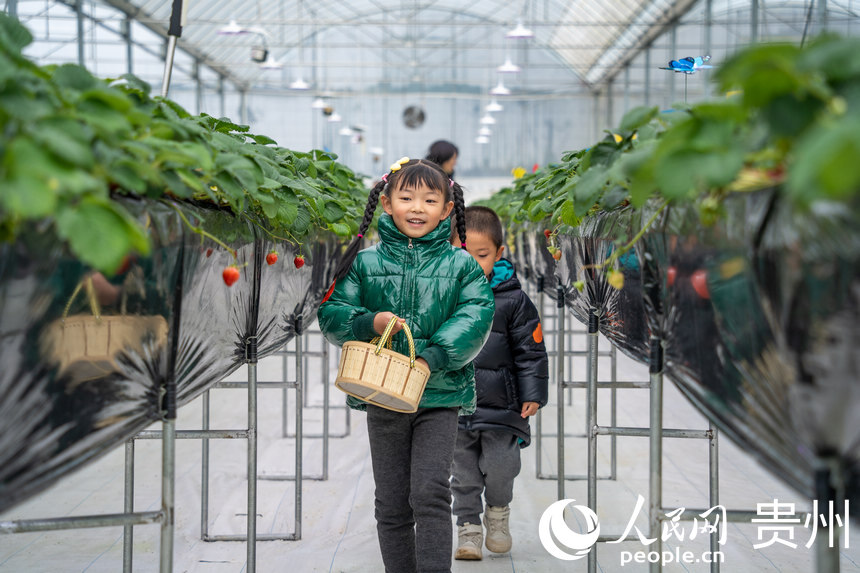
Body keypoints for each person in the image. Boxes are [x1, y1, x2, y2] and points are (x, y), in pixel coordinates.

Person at [317, 158, 495, 573]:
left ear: (447, 209)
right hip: (384, 395)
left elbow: (476, 315)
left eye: (430, 199)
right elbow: (332, 313)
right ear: (387, 203)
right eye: (407, 197)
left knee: (431, 493)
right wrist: (368, 322)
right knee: (392, 500)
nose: (417, 207)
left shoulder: (460, 265)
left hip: (439, 396)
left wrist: (433, 357)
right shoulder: (366, 263)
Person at [449, 205, 549, 560]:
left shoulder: (514, 300)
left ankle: (498, 513)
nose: (474, 264)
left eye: (483, 255)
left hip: (504, 406)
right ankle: (469, 529)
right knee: (462, 474)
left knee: (502, 467)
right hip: (454, 404)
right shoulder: (444, 295)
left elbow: (531, 352)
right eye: (464, 255)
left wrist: (533, 393)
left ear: (499, 254)